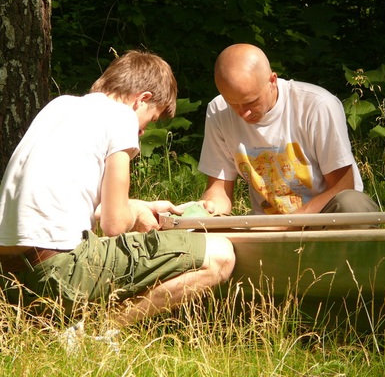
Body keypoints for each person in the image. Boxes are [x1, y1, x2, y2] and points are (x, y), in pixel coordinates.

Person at [0, 49, 235, 325]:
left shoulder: (59, 106)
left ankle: (65, 322)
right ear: (142, 99)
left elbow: (82, 205)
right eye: (152, 118)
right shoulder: (122, 116)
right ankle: (98, 330)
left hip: (10, 278)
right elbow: (113, 225)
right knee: (220, 254)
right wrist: (135, 215)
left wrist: (140, 207)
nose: (144, 131)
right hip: (56, 271)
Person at [198, 43, 378, 219]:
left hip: (324, 219)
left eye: (251, 102)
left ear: (272, 80)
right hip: (266, 226)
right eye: (233, 104)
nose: (243, 113)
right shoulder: (218, 110)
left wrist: (288, 224)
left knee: (353, 203)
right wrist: (210, 209)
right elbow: (218, 189)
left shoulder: (317, 106)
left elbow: (343, 187)